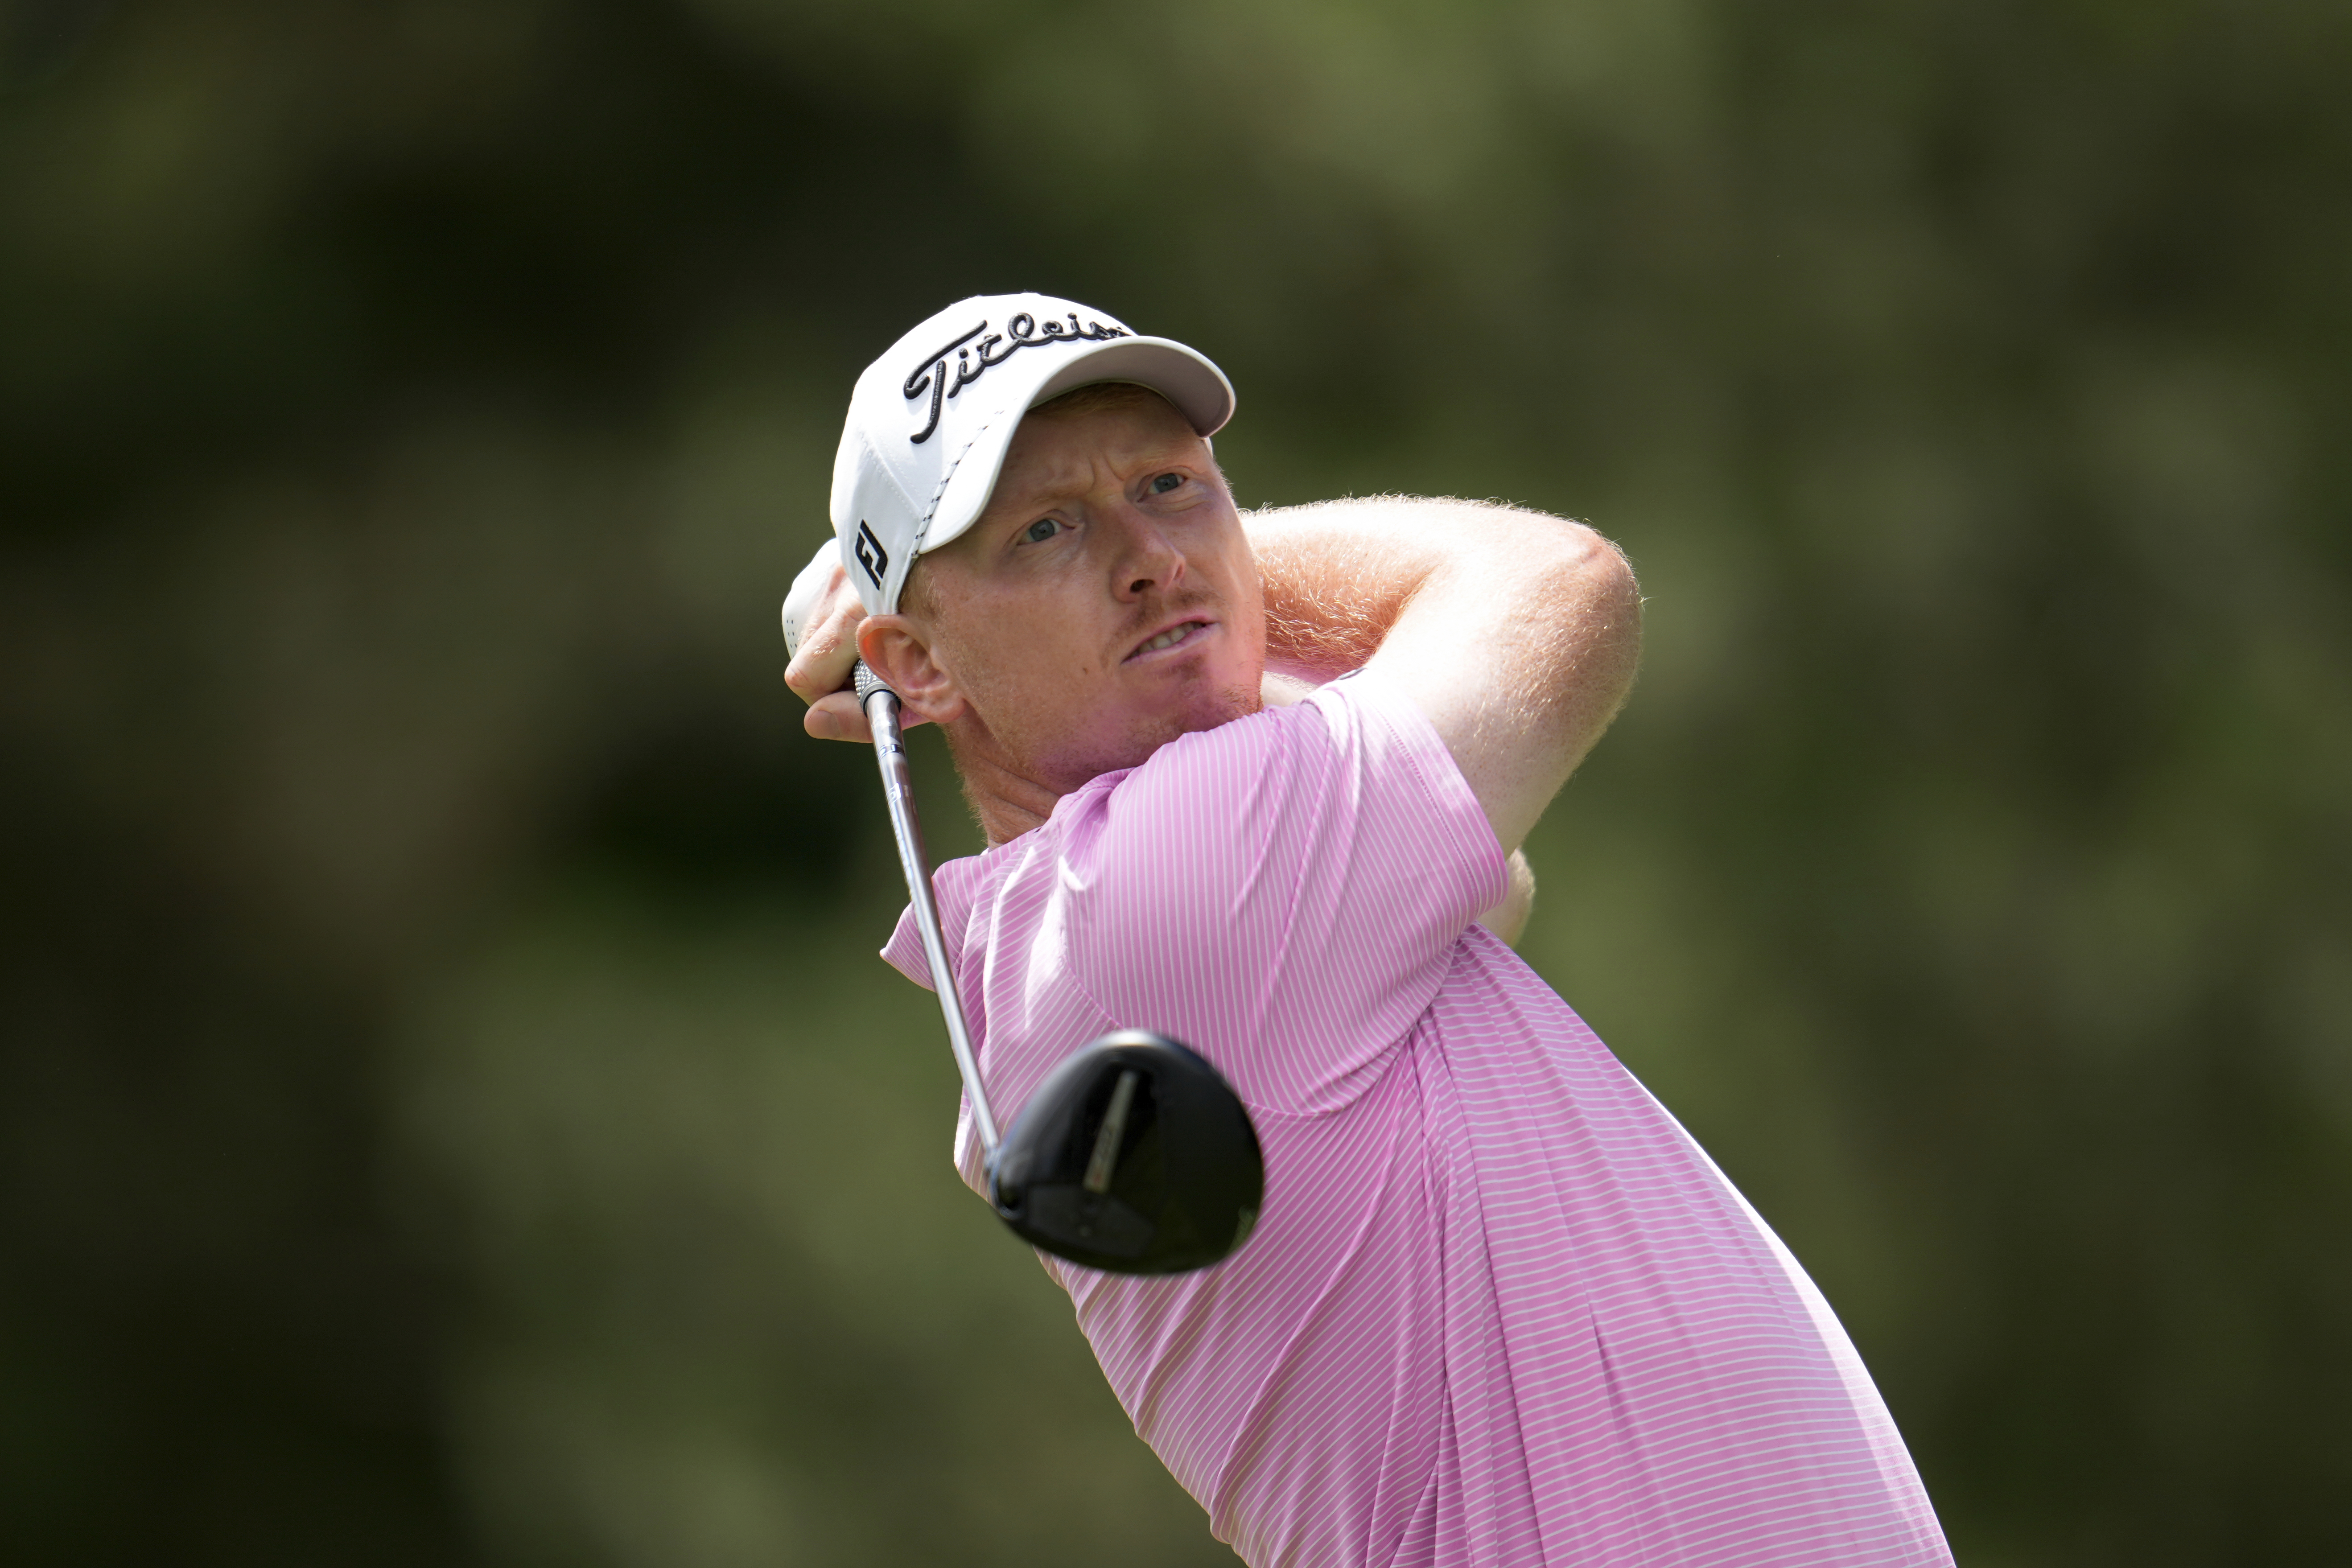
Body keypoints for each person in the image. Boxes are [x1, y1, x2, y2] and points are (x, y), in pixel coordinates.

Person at [782, 293, 1952, 1567]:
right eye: (1046, 529)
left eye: (1173, 483)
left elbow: (1489, 875)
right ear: (915, 671)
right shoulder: (1164, 896)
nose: (1148, 556)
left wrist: (1030, 592)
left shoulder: (1149, 911)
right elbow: (1556, 591)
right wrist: (1201, 555)